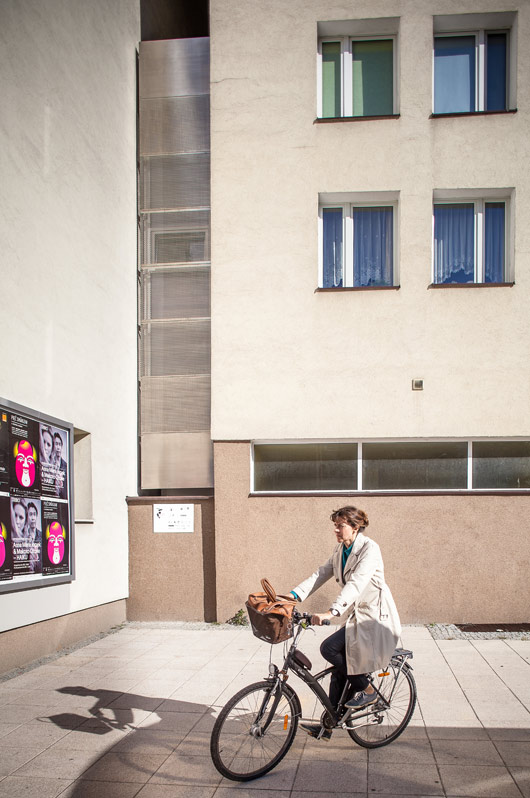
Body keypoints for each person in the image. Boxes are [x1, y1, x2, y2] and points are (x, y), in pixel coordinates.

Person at [289, 506, 401, 739]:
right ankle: (329, 725)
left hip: (374, 616)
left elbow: (357, 583)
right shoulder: (341, 549)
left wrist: (332, 611)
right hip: (357, 615)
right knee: (339, 671)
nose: (336, 530)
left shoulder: (370, 549)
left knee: (328, 648)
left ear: (355, 527)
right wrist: (293, 596)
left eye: (340, 525)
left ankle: (368, 690)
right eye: (336, 525)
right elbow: (320, 574)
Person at [51, 432, 68, 498]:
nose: (58, 447)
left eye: (59, 444)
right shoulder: (49, 463)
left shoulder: (66, 466)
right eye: (56, 444)